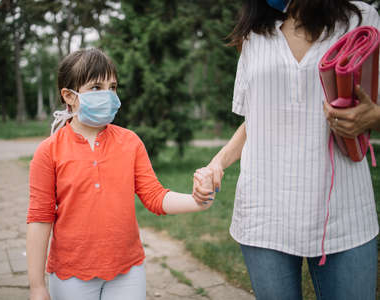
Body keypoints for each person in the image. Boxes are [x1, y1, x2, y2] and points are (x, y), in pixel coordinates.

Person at [194, 1, 379, 299]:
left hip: (345, 215)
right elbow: (255, 119)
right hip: (264, 215)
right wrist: (218, 163)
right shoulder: (254, 35)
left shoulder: (361, 19)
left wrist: (374, 117)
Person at [26, 48, 214, 300]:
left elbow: (155, 197)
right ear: (69, 96)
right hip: (71, 275)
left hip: (128, 271)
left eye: (112, 87)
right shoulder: (48, 151)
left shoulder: (130, 142)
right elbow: (40, 219)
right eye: (95, 87)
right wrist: (37, 286)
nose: (108, 95)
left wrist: (197, 200)